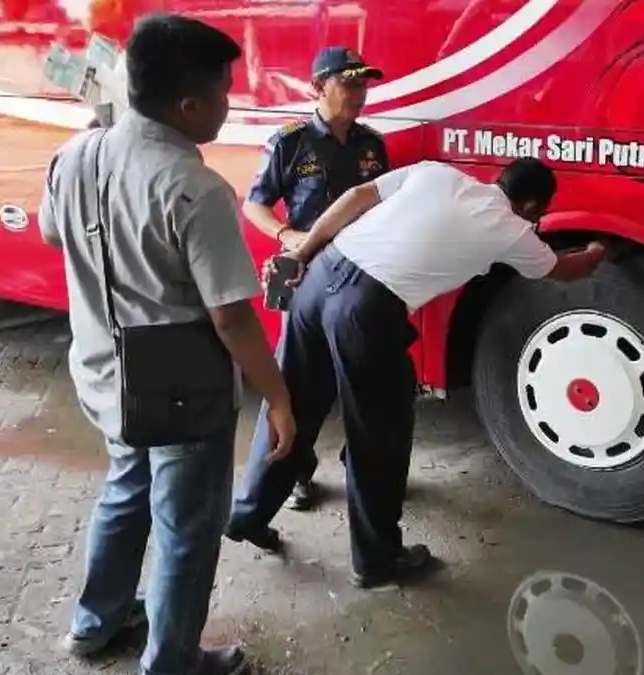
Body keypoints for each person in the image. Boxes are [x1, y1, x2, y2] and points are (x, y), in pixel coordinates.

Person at [38, 13, 296, 675]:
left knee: (126, 490)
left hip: (106, 374)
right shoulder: (196, 188)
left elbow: (51, 233)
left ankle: (95, 624)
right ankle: (172, 660)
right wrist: (277, 397)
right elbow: (231, 318)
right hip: (181, 394)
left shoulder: (75, 155)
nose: (228, 105)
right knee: (187, 527)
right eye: (223, 93)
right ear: (188, 106)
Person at [226, 158, 613, 588]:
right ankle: (377, 560)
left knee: (291, 404)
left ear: (497, 179)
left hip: (321, 272)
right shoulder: (513, 229)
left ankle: (249, 514)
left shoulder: (436, 173)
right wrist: (599, 250)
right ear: (532, 207)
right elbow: (564, 269)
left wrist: (302, 252)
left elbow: (356, 197)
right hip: (364, 310)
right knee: (379, 433)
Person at [241, 45, 390, 512]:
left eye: (363, 84)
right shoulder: (291, 142)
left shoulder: (372, 145)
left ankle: (362, 469)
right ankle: (295, 474)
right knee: (298, 383)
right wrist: (288, 237)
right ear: (317, 88)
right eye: (348, 83)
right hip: (305, 274)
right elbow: (255, 205)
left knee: (365, 378)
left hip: (360, 277)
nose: (358, 93)